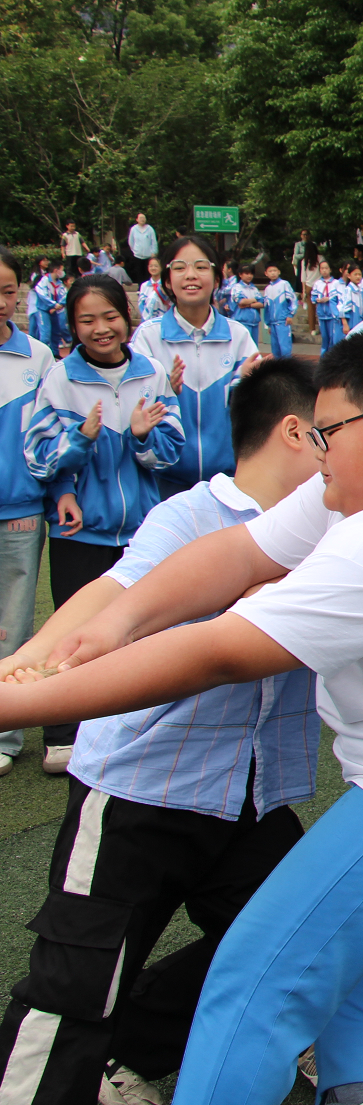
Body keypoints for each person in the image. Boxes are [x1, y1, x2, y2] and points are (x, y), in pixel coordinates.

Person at [3, 327, 363, 1105]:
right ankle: (355, 1092)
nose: (317, 449)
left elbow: (217, 653)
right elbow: (241, 553)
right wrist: (111, 624)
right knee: (356, 926)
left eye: (329, 432)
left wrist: (17, 700)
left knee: (252, 980)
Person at [0, 360, 320, 1105]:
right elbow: (114, 595)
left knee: (302, 938)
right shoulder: (192, 516)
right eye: (335, 432)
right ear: (297, 432)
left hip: (250, 793)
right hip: (140, 790)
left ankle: (131, 1049)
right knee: (75, 987)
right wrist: (25, 667)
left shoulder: (335, 526)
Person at [23, 274, 185, 773]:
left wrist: (140, 439)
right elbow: (38, 458)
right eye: (87, 320)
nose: (100, 329)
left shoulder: (151, 373)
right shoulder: (60, 379)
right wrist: (81, 441)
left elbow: (173, 449)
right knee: (72, 628)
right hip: (80, 532)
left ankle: (131, 727)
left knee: (138, 631)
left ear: (127, 319)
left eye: (110, 317)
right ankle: (62, 733)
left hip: (141, 532)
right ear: (71, 325)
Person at [131, 235, 265, 497]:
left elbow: (255, 414)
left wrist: (248, 386)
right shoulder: (148, 338)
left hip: (227, 486)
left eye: (201, 267)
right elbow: (132, 409)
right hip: (164, 484)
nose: (190, 275)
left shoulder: (237, 337)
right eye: (180, 268)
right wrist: (164, 391)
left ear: (216, 279)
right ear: (168, 280)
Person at [0, 249, 54, 777]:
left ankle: (6, 731)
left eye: (7, 290)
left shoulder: (36, 357)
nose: (0, 302)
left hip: (18, 508)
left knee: (13, 624)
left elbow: (47, 437)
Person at [262, 262, 299, 359]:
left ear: (279, 272)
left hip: (283, 321)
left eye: (275, 270)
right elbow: (267, 308)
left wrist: (290, 314)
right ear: (266, 273)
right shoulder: (267, 289)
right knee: (275, 349)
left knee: (285, 348)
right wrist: (268, 324)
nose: (273, 273)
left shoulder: (284, 284)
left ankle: (287, 369)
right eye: (270, 271)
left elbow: (293, 300)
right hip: (273, 323)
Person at [227, 262, 265, 346]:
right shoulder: (237, 287)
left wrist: (249, 304)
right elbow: (241, 302)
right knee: (243, 347)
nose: (249, 276)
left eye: (251, 274)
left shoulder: (254, 288)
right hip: (242, 322)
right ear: (240, 274)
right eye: (247, 273)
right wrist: (255, 300)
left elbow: (262, 303)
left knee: (254, 348)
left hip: (254, 322)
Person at [312, 260, 347, 352]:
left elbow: (338, 297)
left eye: (326, 268)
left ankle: (331, 356)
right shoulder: (317, 283)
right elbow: (313, 296)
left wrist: (328, 299)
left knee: (333, 337)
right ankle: (323, 356)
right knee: (324, 337)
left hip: (332, 315)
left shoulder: (336, 283)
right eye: (322, 268)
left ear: (330, 269)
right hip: (321, 314)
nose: (324, 270)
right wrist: (317, 300)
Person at [138, 256, 168, 323]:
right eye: (151, 266)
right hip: (147, 320)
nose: (153, 268)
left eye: (156, 266)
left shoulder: (166, 285)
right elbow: (141, 303)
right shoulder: (144, 285)